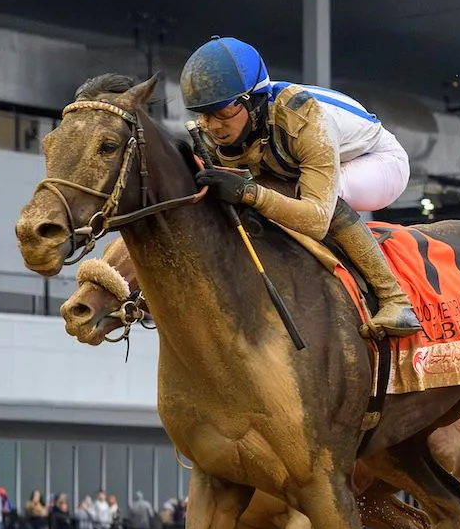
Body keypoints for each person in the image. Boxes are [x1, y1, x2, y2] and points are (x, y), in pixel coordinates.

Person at [180, 36, 421, 338]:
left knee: (320, 196)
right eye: (204, 113)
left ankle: (395, 300)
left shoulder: (306, 119)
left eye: (223, 111)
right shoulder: (216, 126)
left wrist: (250, 192)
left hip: (379, 162)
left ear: (252, 101)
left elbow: (316, 218)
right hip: (296, 168)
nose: (213, 126)